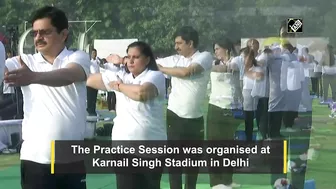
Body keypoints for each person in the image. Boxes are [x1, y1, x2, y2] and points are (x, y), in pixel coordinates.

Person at [4, 6, 90, 189]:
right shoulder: (23, 61)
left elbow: (69, 75)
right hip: (35, 160)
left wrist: (33, 77)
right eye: (35, 33)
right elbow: (3, 72)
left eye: (45, 32)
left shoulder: (77, 57)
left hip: (72, 160)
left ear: (63, 34)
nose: (38, 38)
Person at [87, 41, 166, 189]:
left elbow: (141, 93)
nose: (130, 61)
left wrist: (119, 86)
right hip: (123, 147)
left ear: (147, 59)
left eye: (135, 57)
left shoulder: (155, 76)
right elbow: (90, 80)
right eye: (128, 56)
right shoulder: (120, 74)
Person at [156, 26, 213, 189]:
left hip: (195, 118)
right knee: (174, 164)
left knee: (192, 164)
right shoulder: (174, 60)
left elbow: (188, 72)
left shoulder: (204, 56)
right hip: (175, 116)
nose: (176, 47)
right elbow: (150, 64)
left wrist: (162, 69)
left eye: (179, 43)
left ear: (191, 43)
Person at [207, 37, 242, 189]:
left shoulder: (236, 61)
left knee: (229, 147)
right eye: (214, 49)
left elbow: (229, 68)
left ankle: (227, 181)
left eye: (217, 49)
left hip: (232, 108)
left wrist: (215, 67)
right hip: (215, 107)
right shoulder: (212, 63)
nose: (215, 52)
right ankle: (215, 183)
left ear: (226, 49)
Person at [87, 49, 100, 116]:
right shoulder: (89, 62)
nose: (94, 54)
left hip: (97, 80)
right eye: (93, 53)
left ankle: (93, 110)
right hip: (90, 80)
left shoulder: (98, 62)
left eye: (95, 53)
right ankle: (89, 110)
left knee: (94, 96)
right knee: (90, 96)